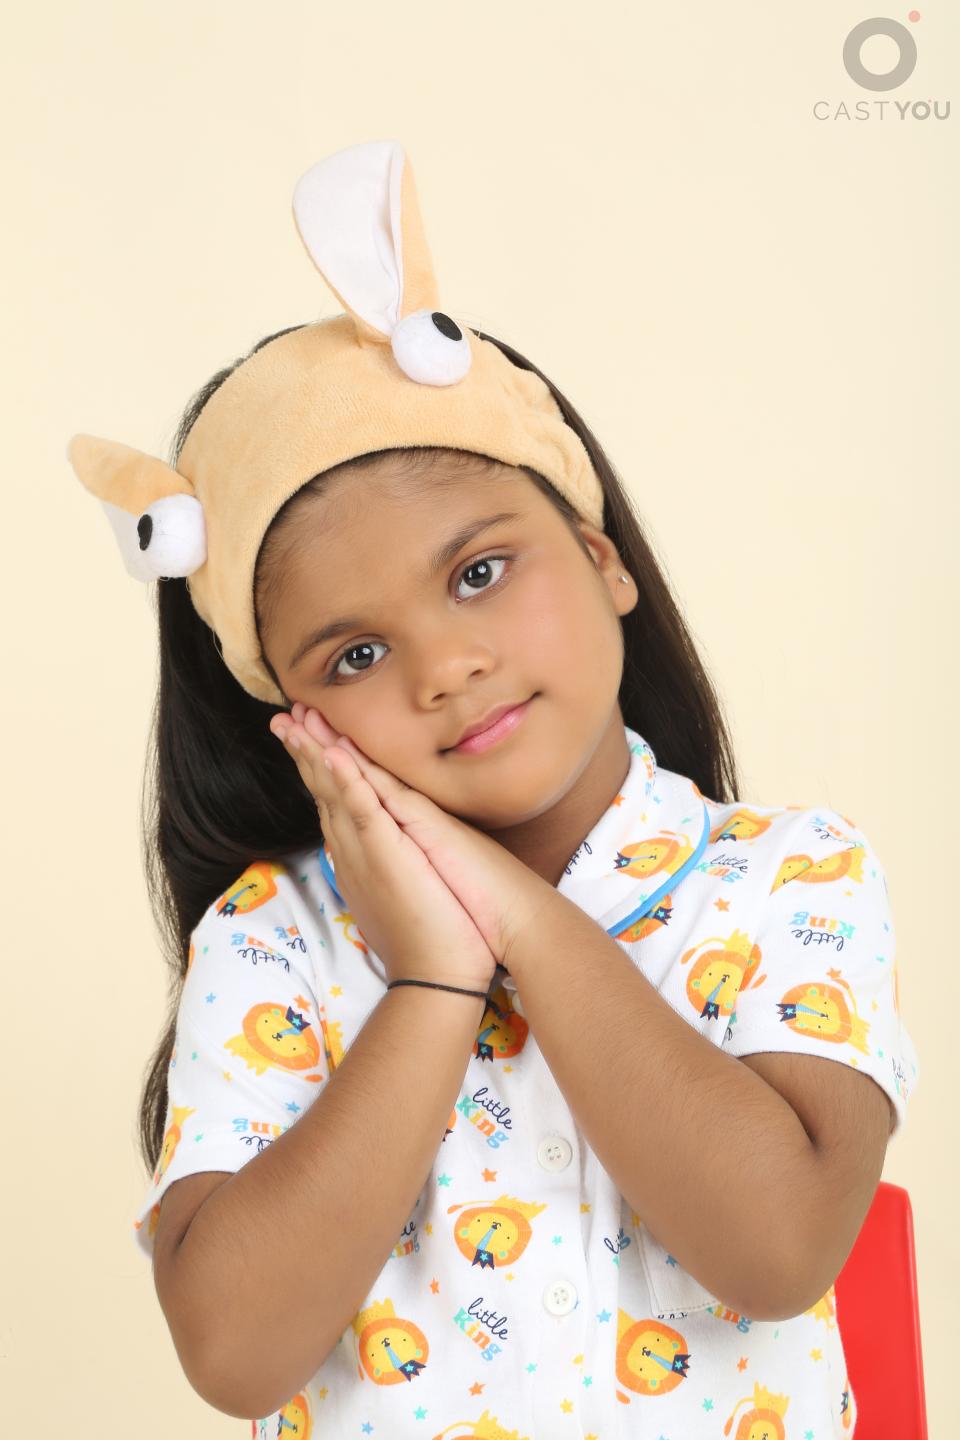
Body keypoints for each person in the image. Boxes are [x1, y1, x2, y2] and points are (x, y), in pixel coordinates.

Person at [67, 139, 919, 1438]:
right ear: (297, 722)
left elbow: (781, 1250)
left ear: (603, 558)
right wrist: (430, 983)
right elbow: (235, 1356)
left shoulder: (791, 876)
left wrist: (517, 915)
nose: (446, 667)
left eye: (478, 573)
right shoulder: (275, 940)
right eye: (356, 655)